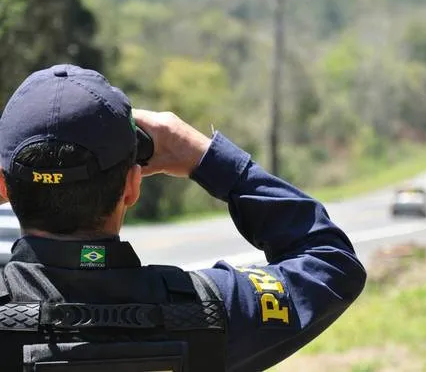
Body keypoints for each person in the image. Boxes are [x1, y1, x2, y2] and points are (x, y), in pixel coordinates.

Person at [0, 64, 367, 371]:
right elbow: (331, 263)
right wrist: (208, 159)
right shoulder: (208, 311)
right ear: (132, 186)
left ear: (3, 189)